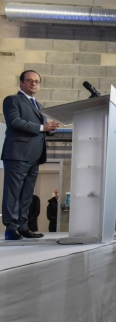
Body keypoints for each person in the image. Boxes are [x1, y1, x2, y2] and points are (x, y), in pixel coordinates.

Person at [2, 70, 59, 240]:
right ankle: (11, 228)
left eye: (36, 81)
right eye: (29, 81)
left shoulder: (39, 105)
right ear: (21, 83)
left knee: (27, 193)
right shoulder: (12, 100)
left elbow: (43, 128)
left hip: (35, 155)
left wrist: (51, 129)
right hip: (17, 154)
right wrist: (43, 128)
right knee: (13, 192)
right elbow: (14, 121)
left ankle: (23, 226)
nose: (33, 84)